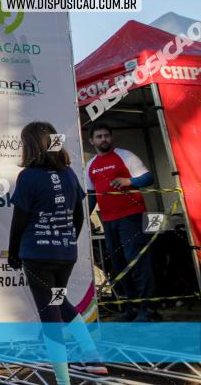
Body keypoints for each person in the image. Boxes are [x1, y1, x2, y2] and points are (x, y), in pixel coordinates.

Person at [8, 122, 106, 382]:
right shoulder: (69, 174)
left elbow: (19, 221)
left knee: (51, 315)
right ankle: (93, 357)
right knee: (58, 302)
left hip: (36, 255)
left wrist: (13, 252)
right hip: (65, 255)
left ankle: (63, 380)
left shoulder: (28, 176)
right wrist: (67, 239)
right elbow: (78, 216)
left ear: (30, 146)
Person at [85, 122, 158, 322]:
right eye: (99, 136)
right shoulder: (90, 165)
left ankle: (148, 308)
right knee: (118, 265)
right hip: (108, 221)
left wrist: (130, 182)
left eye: (106, 135)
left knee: (137, 262)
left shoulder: (125, 155)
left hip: (131, 217)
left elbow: (148, 178)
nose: (103, 139)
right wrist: (82, 219)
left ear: (111, 137)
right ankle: (131, 307)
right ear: (91, 141)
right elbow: (91, 196)